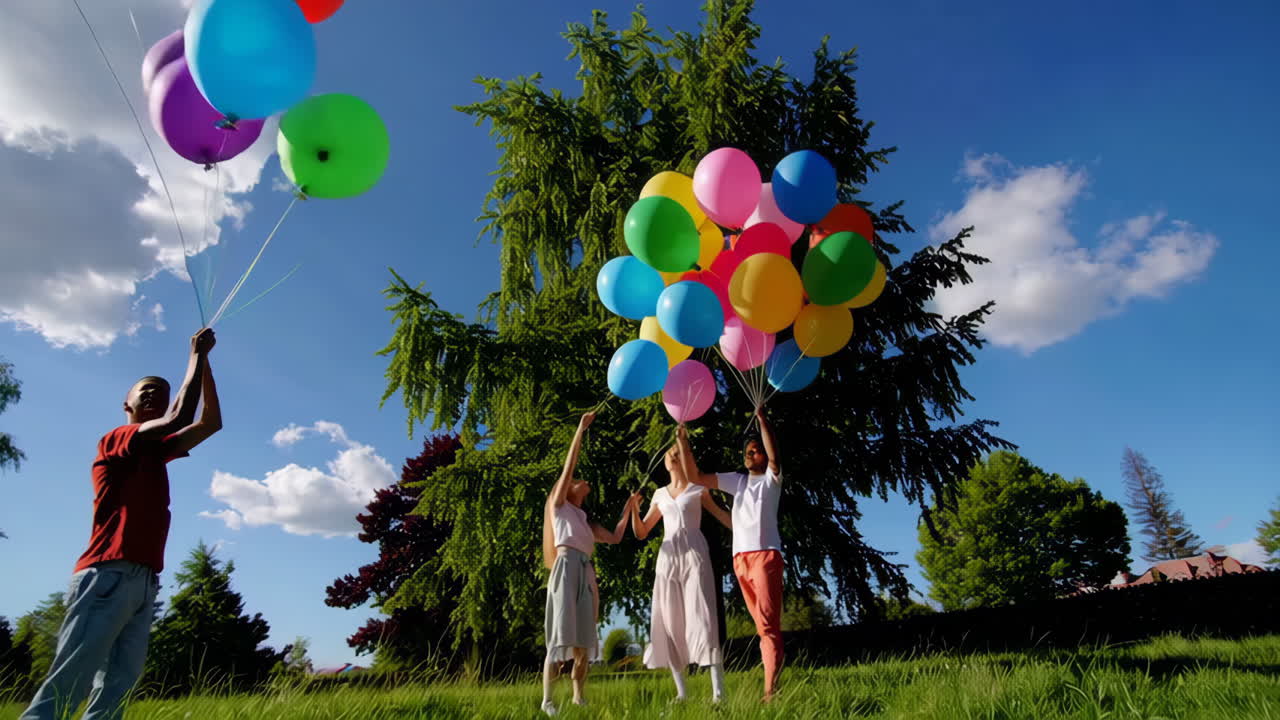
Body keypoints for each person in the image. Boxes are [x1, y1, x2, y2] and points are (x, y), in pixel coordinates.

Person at [22, 328, 222, 720]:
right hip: (107, 575)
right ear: (126, 404)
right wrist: (194, 356)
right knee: (70, 681)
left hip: (144, 581)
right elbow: (180, 415)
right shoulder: (115, 439)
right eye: (146, 389)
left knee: (116, 689)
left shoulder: (159, 451)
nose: (154, 394)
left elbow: (209, 422)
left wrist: (206, 363)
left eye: (162, 391)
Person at [678, 407, 784, 702]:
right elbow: (696, 477)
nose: (750, 455)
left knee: (767, 626)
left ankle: (770, 691)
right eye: (747, 452)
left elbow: (774, 457)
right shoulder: (736, 482)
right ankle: (772, 685)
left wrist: (763, 421)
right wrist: (684, 443)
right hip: (740, 559)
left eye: (755, 451)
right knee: (762, 627)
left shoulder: (771, 481)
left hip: (765, 556)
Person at [541, 411, 638, 716]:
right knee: (558, 639)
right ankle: (547, 701)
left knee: (584, 640)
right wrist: (580, 431)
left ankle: (578, 697)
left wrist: (629, 508)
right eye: (577, 479)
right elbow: (568, 466)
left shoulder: (584, 520)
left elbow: (616, 537)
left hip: (586, 573)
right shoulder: (559, 506)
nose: (582, 480)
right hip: (566, 568)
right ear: (567, 488)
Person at [630, 442, 732, 703]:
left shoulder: (698, 488)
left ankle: (718, 693)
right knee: (670, 619)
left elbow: (723, 517)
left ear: (688, 458)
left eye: (682, 452)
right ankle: (682, 693)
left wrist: (750, 526)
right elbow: (641, 532)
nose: (674, 455)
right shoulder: (659, 494)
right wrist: (633, 508)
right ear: (665, 462)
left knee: (704, 618)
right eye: (671, 453)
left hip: (695, 553)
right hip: (668, 558)